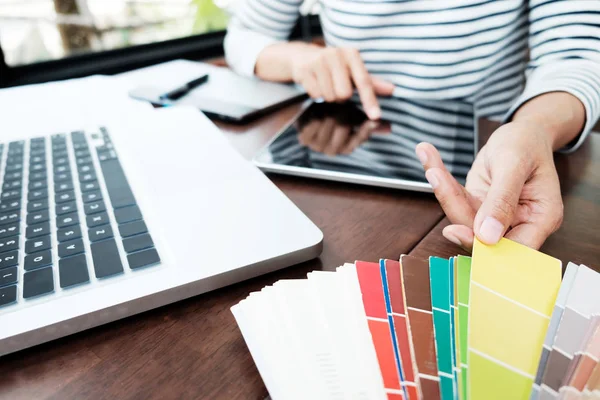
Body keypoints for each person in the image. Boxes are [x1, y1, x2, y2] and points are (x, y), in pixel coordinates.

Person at [224, 0, 600, 250]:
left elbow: (577, 56)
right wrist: (297, 59)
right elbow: (243, 37)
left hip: (491, 170)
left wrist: (533, 128)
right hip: (340, 172)